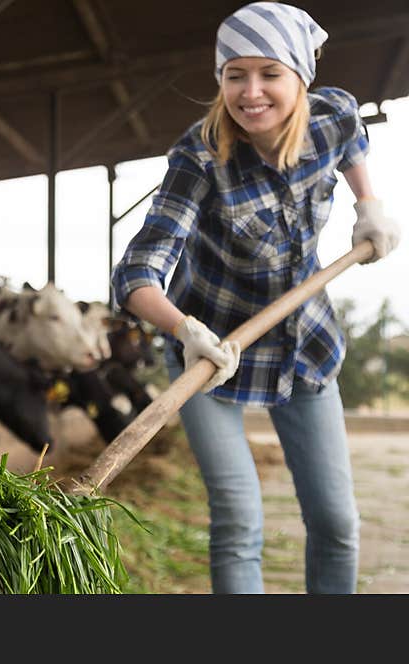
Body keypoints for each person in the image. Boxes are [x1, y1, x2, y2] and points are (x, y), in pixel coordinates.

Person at [111, 2, 401, 594]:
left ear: (300, 76)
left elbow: (353, 140)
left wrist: (368, 205)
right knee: (240, 521)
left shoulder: (333, 115)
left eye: (269, 73)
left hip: (304, 344)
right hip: (210, 357)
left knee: (337, 523)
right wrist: (183, 329)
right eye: (234, 74)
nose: (251, 92)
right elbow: (138, 271)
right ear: (219, 79)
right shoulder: (200, 157)